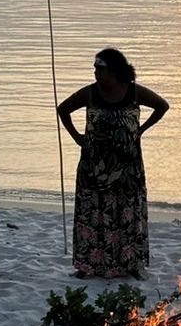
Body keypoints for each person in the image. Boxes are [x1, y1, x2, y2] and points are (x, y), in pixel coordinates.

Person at [57, 48, 168, 279]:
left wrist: (141, 130)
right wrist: (77, 137)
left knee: (128, 213)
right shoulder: (90, 93)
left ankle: (132, 264)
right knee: (92, 213)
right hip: (94, 166)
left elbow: (162, 106)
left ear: (114, 70)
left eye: (100, 68)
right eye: (95, 68)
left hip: (127, 167)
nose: (95, 72)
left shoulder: (134, 91)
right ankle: (88, 264)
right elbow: (63, 109)